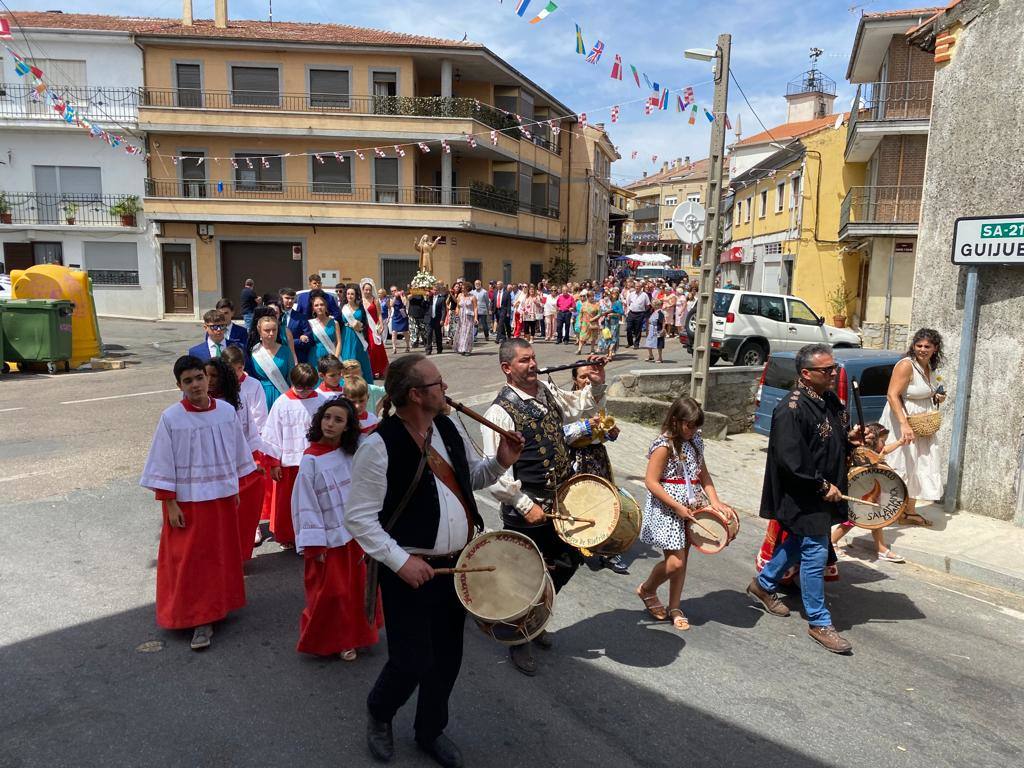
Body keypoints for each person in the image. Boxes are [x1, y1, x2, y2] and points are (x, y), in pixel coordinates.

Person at [344, 354, 523, 767]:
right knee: (411, 659)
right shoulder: (379, 445)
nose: (446, 390)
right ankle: (380, 712)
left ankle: (429, 731)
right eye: (438, 384)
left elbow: (468, 479)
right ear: (415, 395)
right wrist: (401, 560)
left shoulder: (445, 426)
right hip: (408, 571)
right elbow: (359, 518)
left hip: (456, 568)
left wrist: (500, 463)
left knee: (446, 658)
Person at [481, 339, 607, 676]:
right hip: (527, 509)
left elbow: (581, 409)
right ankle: (519, 638)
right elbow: (495, 473)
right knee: (526, 575)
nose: (533, 364)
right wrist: (523, 504)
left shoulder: (548, 393)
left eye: (534, 358)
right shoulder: (499, 412)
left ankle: (534, 616)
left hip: (560, 502)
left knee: (569, 560)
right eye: (524, 360)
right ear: (507, 368)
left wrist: (596, 381)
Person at [747, 343, 858, 654]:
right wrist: (823, 487)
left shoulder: (828, 399)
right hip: (804, 492)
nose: (834, 373)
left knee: (801, 541)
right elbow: (791, 460)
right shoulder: (791, 409)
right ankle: (819, 620)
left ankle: (764, 583)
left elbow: (835, 436)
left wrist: (851, 442)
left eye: (833, 367)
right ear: (806, 374)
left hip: (824, 489)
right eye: (827, 370)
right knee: (814, 551)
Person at [140, 355, 256, 650]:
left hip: (220, 497)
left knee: (219, 554)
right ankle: (197, 618)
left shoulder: (226, 412)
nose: (195, 385)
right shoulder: (171, 418)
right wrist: (169, 503)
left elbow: (237, 453)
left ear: (207, 378)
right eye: (188, 381)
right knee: (190, 561)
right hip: (188, 503)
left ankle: (218, 606)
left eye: (199, 378)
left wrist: (236, 487)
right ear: (179, 385)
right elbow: (162, 464)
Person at [292, 397, 382, 660]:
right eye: (327, 417)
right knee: (333, 594)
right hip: (329, 542)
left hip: (356, 536)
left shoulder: (352, 451)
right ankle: (333, 638)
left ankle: (355, 636)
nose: (330, 424)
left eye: (338, 420)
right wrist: (314, 544)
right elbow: (305, 504)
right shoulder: (310, 461)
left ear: (347, 427)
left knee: (359, 589)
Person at [637, 397, 734, 631]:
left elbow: (703, 475)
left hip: (692, 505)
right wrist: (677, 506)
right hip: (669, 508)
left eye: (697, 426)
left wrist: (716, 501)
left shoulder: (695, 441)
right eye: (690, 425)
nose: (694, 430)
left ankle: (675, 606)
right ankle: (648, 588)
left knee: (683, 559)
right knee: (676, 562)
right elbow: (651, 481)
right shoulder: (663, 446)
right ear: (675, 420)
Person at [562, 363, 628, 576]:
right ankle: (579, 542)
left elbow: (604, 432)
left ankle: (606, 548)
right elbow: (561, 434)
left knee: (605, 502)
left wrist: (611, 433)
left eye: (590, 378)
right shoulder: (567, 402)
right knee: (578, 502)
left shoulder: (597, 400)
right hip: (574, 457)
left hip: (597, 456)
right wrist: (586, 426)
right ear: (575, 380)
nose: (587, 382)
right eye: (583, 378)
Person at [878, 328, 946, 526]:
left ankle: (908, 512)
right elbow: (892, 395)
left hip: (922, 423)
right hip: (903, 420)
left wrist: (936, 396)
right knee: (900, 464)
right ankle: (884, 510)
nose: (923, 349)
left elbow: (922, 391)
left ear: (935, 348)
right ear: (913, 346)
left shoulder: (928, 367)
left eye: (927, 346)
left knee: (918, 464)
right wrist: (904, 424)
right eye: (919, 345)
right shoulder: (906, 365)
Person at [204, 356, 267, 564]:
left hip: (238, 467)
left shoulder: (236, 403)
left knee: (238, 519)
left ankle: (236, 558)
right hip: (210, 472)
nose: (210, 380)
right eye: (206, 375)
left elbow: (249, 434)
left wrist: (254, 462)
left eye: (215, 375)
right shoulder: (199, 405)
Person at [261, 364, 327, 549]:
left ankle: (315, 535)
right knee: (288, 503)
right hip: (289, 463)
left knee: (315, 501)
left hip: (314, 460)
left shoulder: (321, 401)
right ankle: (288, 536)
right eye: (300, 387)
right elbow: (272, 434)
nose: (305, 392)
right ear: (293, 382)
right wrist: (274, 463)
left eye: (309, 387)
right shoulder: (282, 402)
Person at [831, 423, 906, 563]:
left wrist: (900, 442)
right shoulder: (863, 453)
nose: (884, 444)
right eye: (883, 441)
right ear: (873, 440)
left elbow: (886, 450)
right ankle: (832, 541)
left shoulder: (875, 453)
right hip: (858, 492)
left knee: (877, 519)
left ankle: (881, 549)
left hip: (870, 492)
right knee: (851, 521)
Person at [246, 314, 294, 412]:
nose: (271, 333)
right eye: (267, 330)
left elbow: (292, 377)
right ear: (260, 331)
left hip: (282, 395)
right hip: (260, 396)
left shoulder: (285, 351)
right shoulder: (253, 352)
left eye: (274, 330)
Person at [340, 286, 374, 381]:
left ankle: (364, 383)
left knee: (360, 357)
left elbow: (365, 322)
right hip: (346, 334)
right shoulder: (343, 308)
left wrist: (361, 326)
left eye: (352, 294)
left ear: (356, 295)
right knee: (347, 357)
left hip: (358, 336)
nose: (350, 296)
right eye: (348, 294)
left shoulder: (361, 307)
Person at [360, 278, 390, 379]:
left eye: (369, 289)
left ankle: (381, 370)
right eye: (366, 289)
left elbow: (379, 314)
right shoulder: (360, 301)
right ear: (363, 290)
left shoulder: (375, 300)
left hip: (374, 327)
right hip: (365, 328)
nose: (368, 291)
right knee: (368, 349)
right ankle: (370, 371)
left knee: (376, 347)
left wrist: (381, 325)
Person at [307, 289, 341, 367]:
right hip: (315, 357)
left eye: (322, 304)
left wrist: (335, 358)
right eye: (316, 305)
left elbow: (339, 342)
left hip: (331, 356)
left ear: (326, 306)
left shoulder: (335, 323)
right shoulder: (310, 323)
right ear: (313, 309)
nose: (319, 307)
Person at [280, 288, 313, 365]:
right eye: (287, 298)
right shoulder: (276, 316)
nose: (290, 301)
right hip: (278, 358)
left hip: (297, 359)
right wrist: (298, 340)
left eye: (292, 298)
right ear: (281, 298)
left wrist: (290, 342)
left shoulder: (301, 318)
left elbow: (309, 340)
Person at [453, 282, 478, 356]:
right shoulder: (460, 296)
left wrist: (476, 318)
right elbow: (458, 306)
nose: (462, 289)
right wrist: (457, 312)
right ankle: (461, 348)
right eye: (462, 288)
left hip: (469, 317)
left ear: (467, 289)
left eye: (463, 288)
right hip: (461, 316)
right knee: (461, 332)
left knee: (467, 333)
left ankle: (467, 349)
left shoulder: (472, 297)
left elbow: (475, 308)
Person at [625, 283, 651, 349]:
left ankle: (636, 344)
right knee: (628, 328)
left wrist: (644, 312)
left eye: (638, 287)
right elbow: (628, 303)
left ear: (641, 287)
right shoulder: (631, 294)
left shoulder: (644, 295)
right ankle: (630, 342)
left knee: (638, 329)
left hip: (640, 314)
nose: (637, 288)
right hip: (631, 313)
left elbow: (648, 305)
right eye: (636, 286)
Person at [576, 290, 600, 356]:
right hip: (584, 323)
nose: (591, 298)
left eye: (592, 296)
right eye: (590, 296)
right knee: (582, 337)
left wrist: (594, 319)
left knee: (593, 337)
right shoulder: (584, 304)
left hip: (593, 322)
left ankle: (592, 349)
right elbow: (581, 313)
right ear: (588, 297)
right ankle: (579, 349)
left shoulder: (596, 304)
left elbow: (599, 314)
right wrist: (579, 322)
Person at [389, 287, 411, 353]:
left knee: (405, 332)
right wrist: (395, 297)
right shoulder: (392, 298)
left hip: (403, 315)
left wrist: (401, 295)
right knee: (394, 332)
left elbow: (404, 303)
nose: (394, 292)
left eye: (395, 290)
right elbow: (391, 305)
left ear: (397, 290)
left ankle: (407, 346)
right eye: (392, 291)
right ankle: (394, 348)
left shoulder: (403, 296)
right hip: (396, 316)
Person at [427, 286, 446, 356]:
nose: (435, 291)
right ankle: (428, 349)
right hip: (430, 319)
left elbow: (444, 310)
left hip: (437, 319)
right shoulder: (429, 298)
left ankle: (439, 348)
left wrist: (442, 319)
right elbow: (424, 305)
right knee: (429, 334)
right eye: (434, 290)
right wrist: (427, 297)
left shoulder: (441, 299)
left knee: (438, 334)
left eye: (436, 290)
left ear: (438, 291)